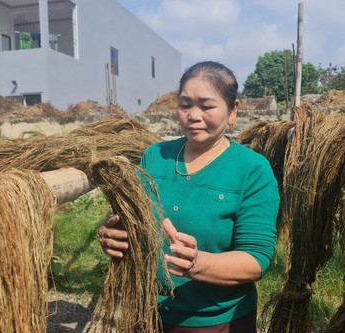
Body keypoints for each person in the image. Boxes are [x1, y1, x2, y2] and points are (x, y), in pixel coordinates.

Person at [98, 61, 280, 332]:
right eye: (185, 105)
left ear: (233, 111)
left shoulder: (252, 169)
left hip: (217, 321)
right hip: (148, 313)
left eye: (207, 106)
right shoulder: (155, 156)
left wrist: (198, 264)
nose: (193, 115)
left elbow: (255, 260)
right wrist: (112, 233)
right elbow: (134, 219)